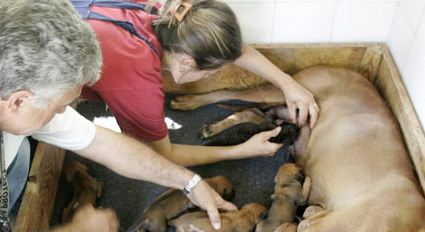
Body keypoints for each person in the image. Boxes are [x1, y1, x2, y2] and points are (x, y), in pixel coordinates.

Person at [0, 0, 236, 232]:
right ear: (19, 101)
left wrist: (191, 183)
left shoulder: (24, 95)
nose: (64, 112)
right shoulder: (30, 100)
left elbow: (101, 142)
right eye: (61, 105)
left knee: (21, 155)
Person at [80, 0, 320, 166]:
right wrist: (240, 151)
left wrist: (288, 83)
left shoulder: (173, 12)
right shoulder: (138, 80)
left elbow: (231, 49)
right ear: (186, 62)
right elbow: (161, 154)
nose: (212, 76)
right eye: (210, 73)